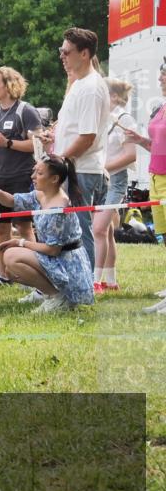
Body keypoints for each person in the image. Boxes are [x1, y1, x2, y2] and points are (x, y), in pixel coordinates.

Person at [0, 156, 95, 313]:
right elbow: (13, 201)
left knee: (11, 257)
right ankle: (47, 293)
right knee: (10, 265)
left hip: (66, 263)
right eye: (34, 171)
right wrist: (0, 193)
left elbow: (52, 250)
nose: (33, 176)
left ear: (54, 179)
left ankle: (58, 297)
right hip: (57, 257)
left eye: (39, 173)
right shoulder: (40, 195)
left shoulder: (58, 208)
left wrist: (20, 243)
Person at [48, 27, 111, 273]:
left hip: (81, 170)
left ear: (84, 54)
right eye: (60, 51)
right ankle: (65, 284)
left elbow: (87, 137)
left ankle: (84, 285)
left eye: (67, 52)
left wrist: (60, 159)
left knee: (79, 232)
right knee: (64, 231)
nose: (62, 56)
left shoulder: (91, 87)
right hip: (73, 168)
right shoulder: (78, 84)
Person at [0, 66, 44, 284]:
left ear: (9, 85)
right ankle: (3, 275)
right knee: (1, 228)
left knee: (24, 227)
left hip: (22, 176)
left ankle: (35, 271)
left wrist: (8, 142)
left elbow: (37, 145)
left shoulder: (25, 110)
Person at [125, 61, 166, 314]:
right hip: (155, 177)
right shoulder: (162, 107)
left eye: (164, 75)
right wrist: (140, 140)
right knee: (164, 238)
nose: (160, 79)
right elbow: (157, 146)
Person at [93, 78, 138, 293]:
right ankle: (110, 281)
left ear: (113, 96)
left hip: (115, 181)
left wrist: (104, 167)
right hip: (103, 181)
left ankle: (95, 280)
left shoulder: (125, 119)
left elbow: (130, 156)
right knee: (107, 232)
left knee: (98, 229)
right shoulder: (104, 119)